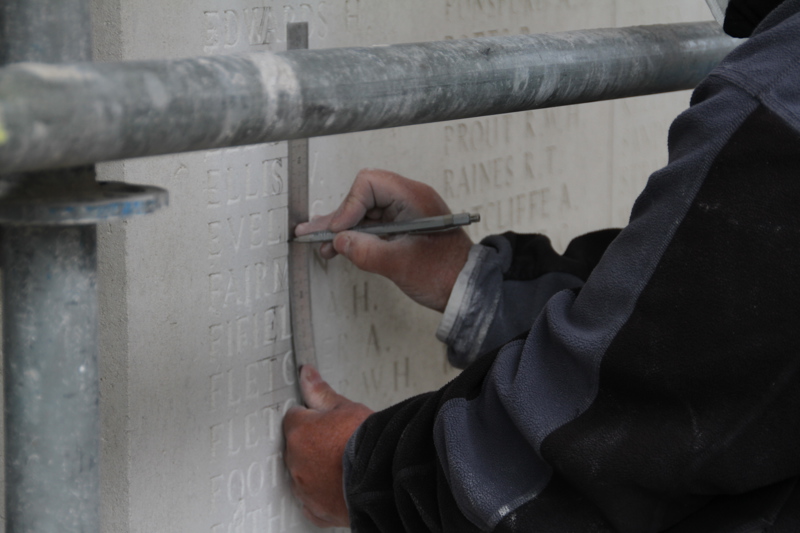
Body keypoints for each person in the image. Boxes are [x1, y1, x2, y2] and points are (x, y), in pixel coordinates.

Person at [283, 0, 800, 530]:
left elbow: (610, 430)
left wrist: (372, 482)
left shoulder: (781, 95)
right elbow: (701, 324)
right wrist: (472, 285)